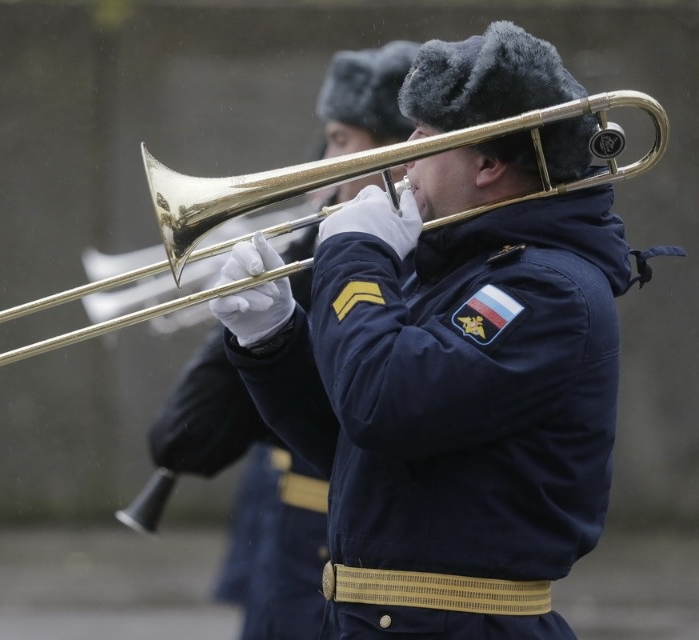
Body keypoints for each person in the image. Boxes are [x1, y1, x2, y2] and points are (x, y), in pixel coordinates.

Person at [209, 21, 683, 639]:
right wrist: (272, 338)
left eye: (425, 136)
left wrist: (354, 255)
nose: (403, 155)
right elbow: (353, 443)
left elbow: (386, 404)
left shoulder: (544, 290)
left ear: (487, 162)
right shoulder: (461, 269)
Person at [146, 42, 420, 640]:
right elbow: (181, 440)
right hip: (308, 542)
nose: (322, 160)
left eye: (342, 141)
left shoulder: (421, 270)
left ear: (403, 155)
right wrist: (258, 308)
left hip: (343, 552)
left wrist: (303, 270)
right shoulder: (320, 252)